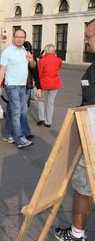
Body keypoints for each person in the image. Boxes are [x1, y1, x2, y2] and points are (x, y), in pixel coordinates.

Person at [54, 19, 95, 241]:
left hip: (91, 137)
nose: (86, 41)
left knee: (83, 187)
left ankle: (77, 234)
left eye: (89, 36)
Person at [0, 29, 36, 149]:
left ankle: (8, 134)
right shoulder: (7, 52)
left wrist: (31, 60)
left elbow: (33, 66)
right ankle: (19, 139)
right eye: (17, 36)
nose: (19, 39)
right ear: (13, 37)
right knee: (16, 112)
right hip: (11, 86)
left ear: (25, 38)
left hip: (23, 86)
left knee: (15, 111)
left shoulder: (25, 51)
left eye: (22, 37)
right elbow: (2, 70)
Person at [37, 44, 62, 128]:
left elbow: (39, 73)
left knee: (41, 100)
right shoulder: (58, 60)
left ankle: (41, 118)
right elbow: (58, 68)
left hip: (44, 82)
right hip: (55, 82)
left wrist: (37, 84)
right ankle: (48, 121)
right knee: (50, 102)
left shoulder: (42, 60)